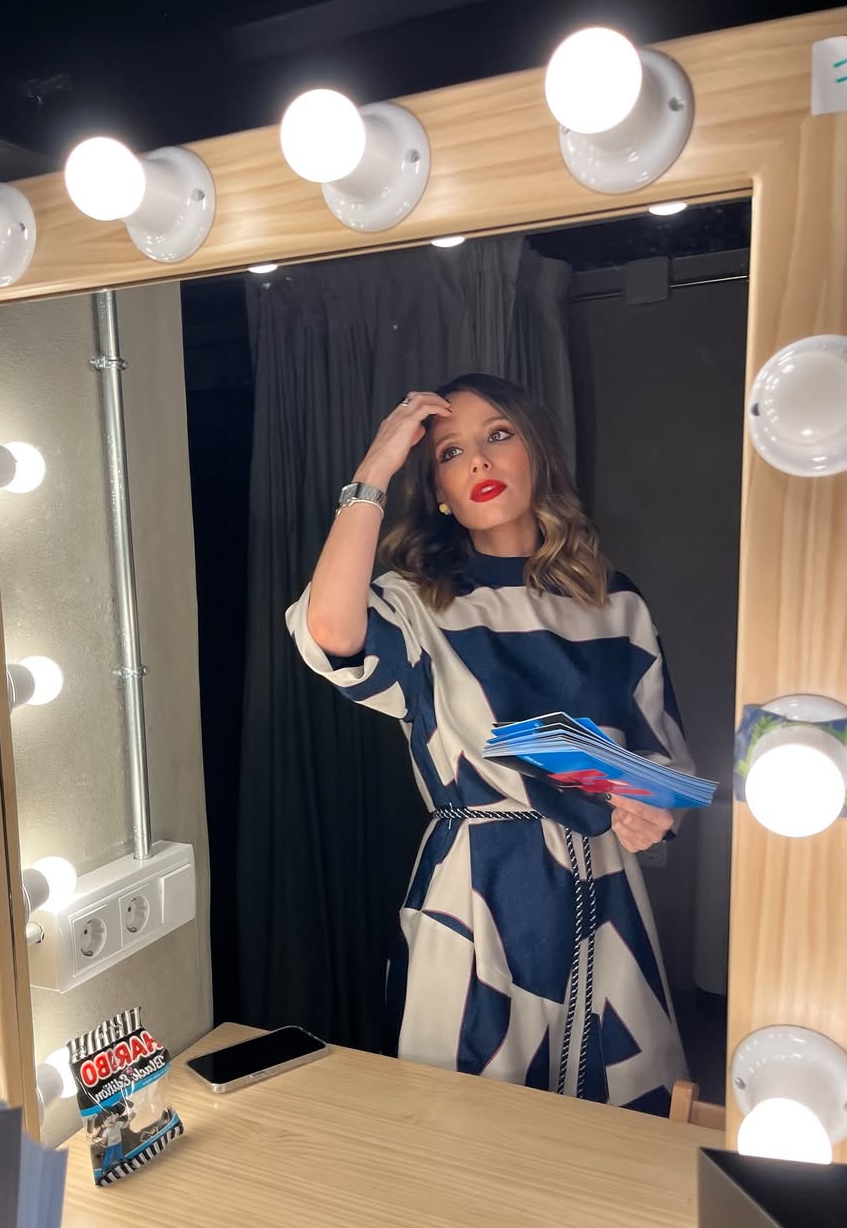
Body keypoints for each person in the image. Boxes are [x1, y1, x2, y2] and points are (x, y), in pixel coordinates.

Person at [286, 373, 692, 1113]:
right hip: (479, 887)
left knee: (625, 1122)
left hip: (606, 891)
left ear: (536, 451)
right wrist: (375, 468)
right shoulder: (418, 602)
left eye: (498, 435)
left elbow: (663, 760)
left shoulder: (616, 600)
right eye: (450, 452)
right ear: (437, 488)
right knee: (464, 1126)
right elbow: (331, 632)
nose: (477, 460)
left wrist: (655, 809)